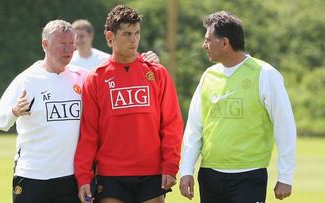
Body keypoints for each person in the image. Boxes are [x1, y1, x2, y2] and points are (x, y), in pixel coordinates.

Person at [179, 11, 296, 203]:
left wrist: (285, 177)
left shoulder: (265, 74)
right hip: (210, 176)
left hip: (248, 177)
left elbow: (285, 127)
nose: (204, 45)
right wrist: (186, 170)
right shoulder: (208, 76)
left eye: (208, 39)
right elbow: (194, 127)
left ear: (225, 43)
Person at [74, 5, 183, 203]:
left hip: (152, 173)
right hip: (111, 174)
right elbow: (89, 132)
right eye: (127, 34)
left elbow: (171, 123)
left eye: (137, 33)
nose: (134, 40)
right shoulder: (96, 79)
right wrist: (83, 176)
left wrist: (170, 165)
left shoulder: (157, 73)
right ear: (110, 36)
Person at [0, 20, 84, 203]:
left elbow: (113, 70)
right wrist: (14, 111)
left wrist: (144, 61)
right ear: (45, 44)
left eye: (72, 44)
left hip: (70, 178)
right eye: (62, 44)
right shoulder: (27, 79)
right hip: (32, 176)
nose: (68, 50)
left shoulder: (82, 77)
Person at [70, 19, 159, 71]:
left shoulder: (104, 58)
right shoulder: (69, 60)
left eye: (81, 36)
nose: (78, 40)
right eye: (75, 37)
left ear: (91, 36)